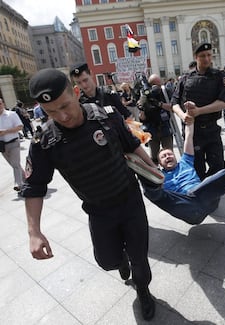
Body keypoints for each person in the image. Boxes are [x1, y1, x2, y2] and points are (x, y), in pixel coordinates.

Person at [20, 68, 163, 321]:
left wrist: (153, 170)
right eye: (52, 112)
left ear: (76, 93)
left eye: (65, 105)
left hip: (129, 200)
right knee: (108, 261)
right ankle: (120, 261)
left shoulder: (106, 116)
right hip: (98, 210)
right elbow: (34, 188)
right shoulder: (44, 142)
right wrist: (34, 231)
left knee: (140, 257)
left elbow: (131, 145)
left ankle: (143, 290)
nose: (62, 115)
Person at [171, 42, 225, 180]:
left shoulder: (220, 76)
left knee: (218, 166)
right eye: (203, 56)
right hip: (192, 132)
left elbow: (224, 102)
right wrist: (182, 115)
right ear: (196, 57)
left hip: (211, 129)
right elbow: (174, 102)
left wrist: (199, 111)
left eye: (209, 55)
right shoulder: (185, 78)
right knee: (196, 168)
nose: (207, 59)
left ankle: (211, 191)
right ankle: (202, 194)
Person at [138, 74, 174, 162]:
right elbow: (142, 117)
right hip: (152, 130)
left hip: (165, 127)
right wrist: (143, 105)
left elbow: (172, 107)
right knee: (154, 156)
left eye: (159, 84)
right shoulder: (145, 94)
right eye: (155, 84)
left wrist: (159, 104)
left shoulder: (165, 92)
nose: (158, 87)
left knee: (169, 154)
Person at [0, 98, 25, 192]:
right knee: (15, 165)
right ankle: (27, 178)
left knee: (15, 164)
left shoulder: (11, 114)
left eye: (0, 103)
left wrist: (5, 132)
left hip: (13, 142)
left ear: (3, 103)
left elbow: (20, 126)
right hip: (2, 145)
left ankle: (18, 184)